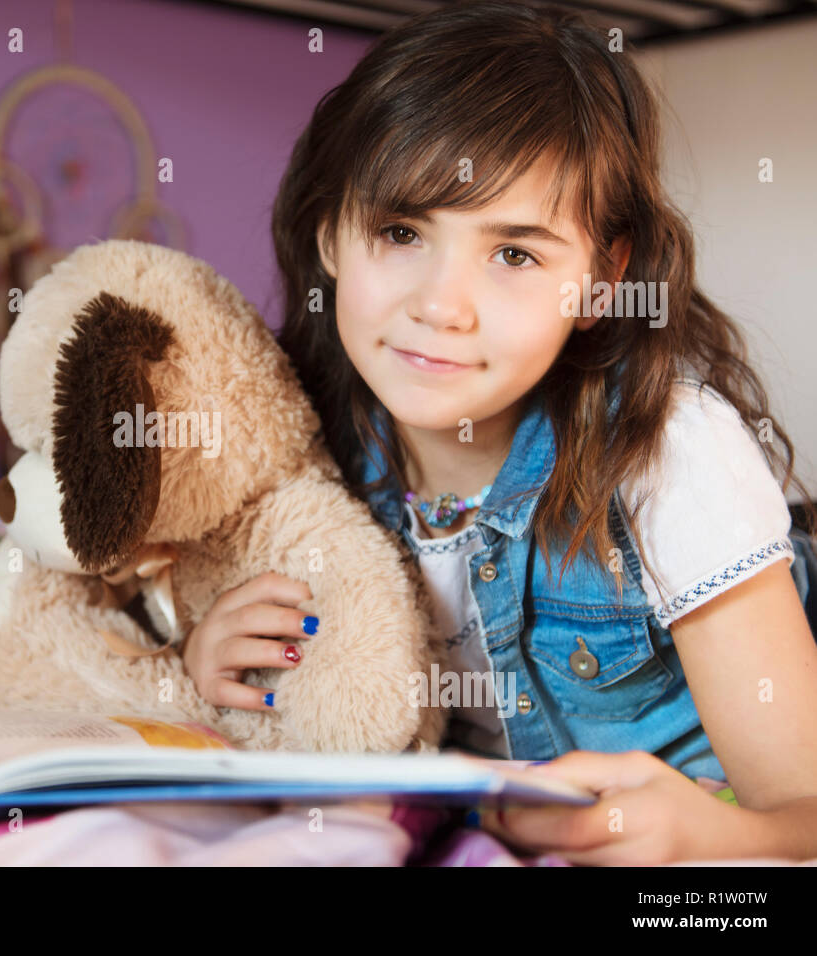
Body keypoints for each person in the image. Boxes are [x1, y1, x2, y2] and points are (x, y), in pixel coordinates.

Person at [181, 0, 817, 863]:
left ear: (601, 278)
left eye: (515, 254)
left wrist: (711, 837)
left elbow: (802, 812)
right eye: (401, 232)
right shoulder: (303, 447)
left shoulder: (670, 455)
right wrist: (208, 661)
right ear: (331, 232)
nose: (440, 307)